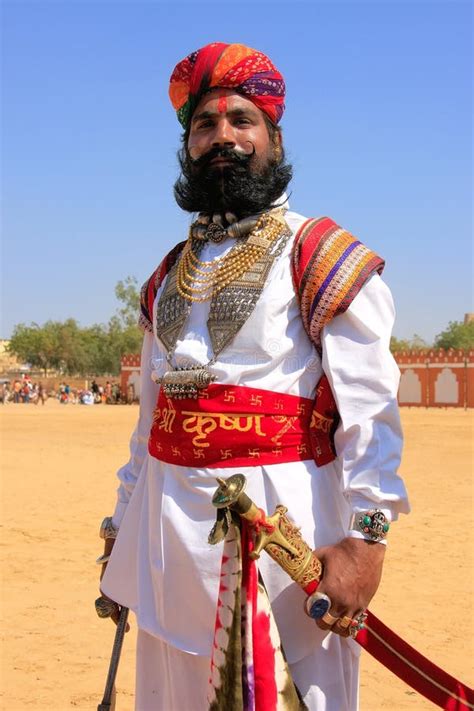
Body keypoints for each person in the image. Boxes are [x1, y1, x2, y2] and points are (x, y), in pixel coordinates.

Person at [99, 42, 409, 711]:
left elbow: (372, 418)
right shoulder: (166, 275)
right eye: (204, 125)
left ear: (273, 135)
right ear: (187, 148)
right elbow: (148, 421)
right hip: (166, 555)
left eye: (242, 120)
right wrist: (121, 525)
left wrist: (366, 545)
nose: (223, 137)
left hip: (285, 555)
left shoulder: (319, 254)